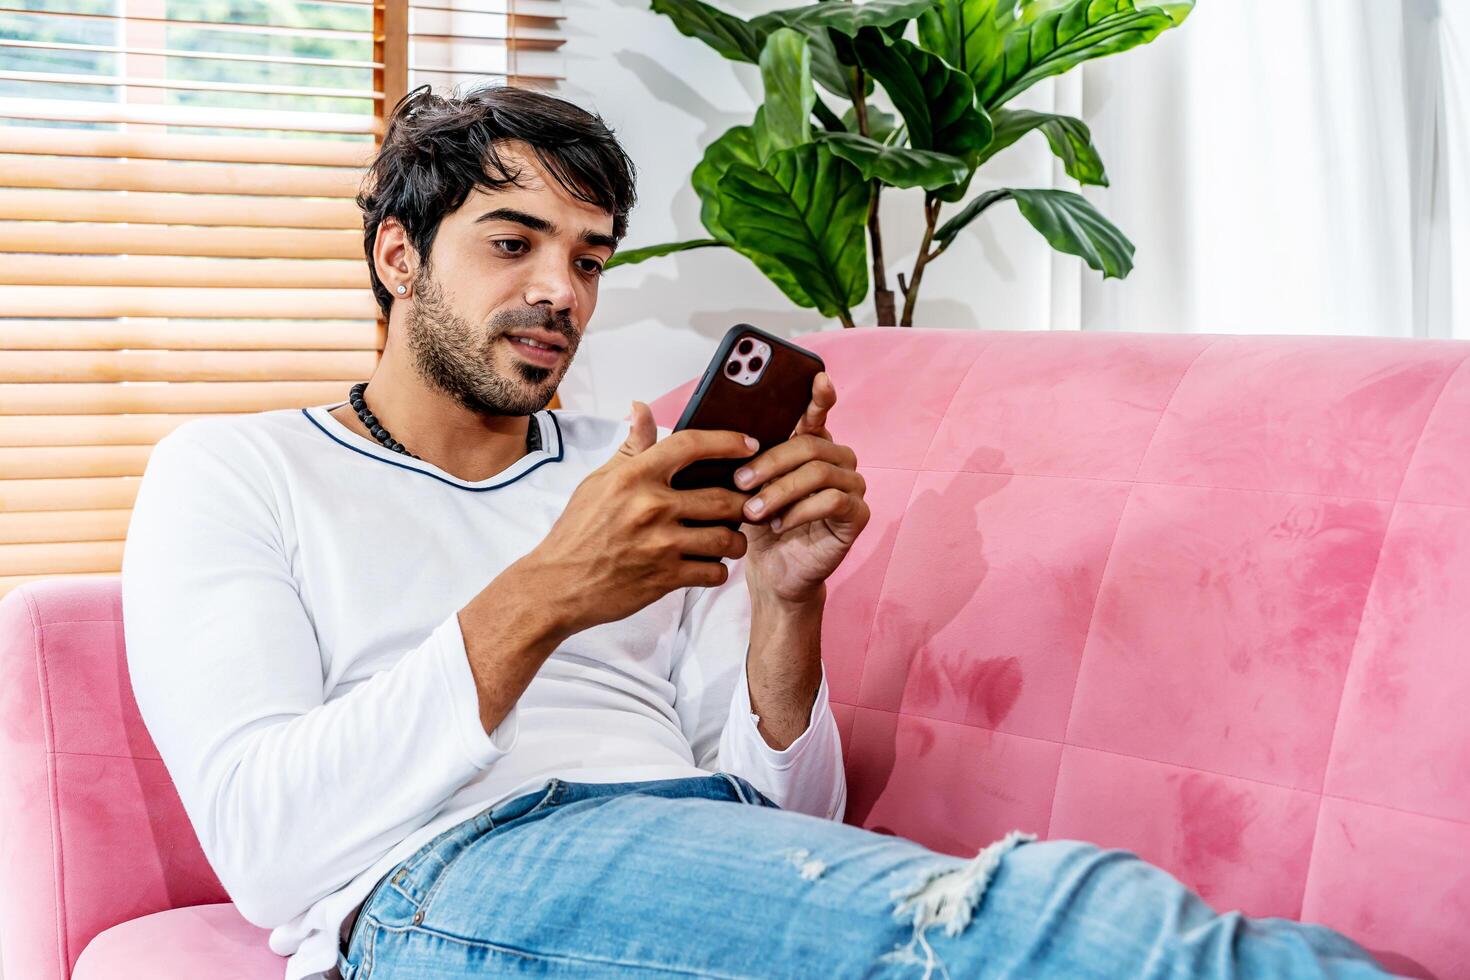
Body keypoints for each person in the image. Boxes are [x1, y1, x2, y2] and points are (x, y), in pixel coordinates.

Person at [121, 84, 1394, 980]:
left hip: (703, 839)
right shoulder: (234, 471)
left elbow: (794, 807)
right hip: (438, 886)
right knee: (1050, 920)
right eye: (512, 244)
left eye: (589, 256)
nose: (560, 291)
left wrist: (787, 598)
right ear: (398, 257)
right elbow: (268, 847)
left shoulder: (630, 468)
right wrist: (550, 590)